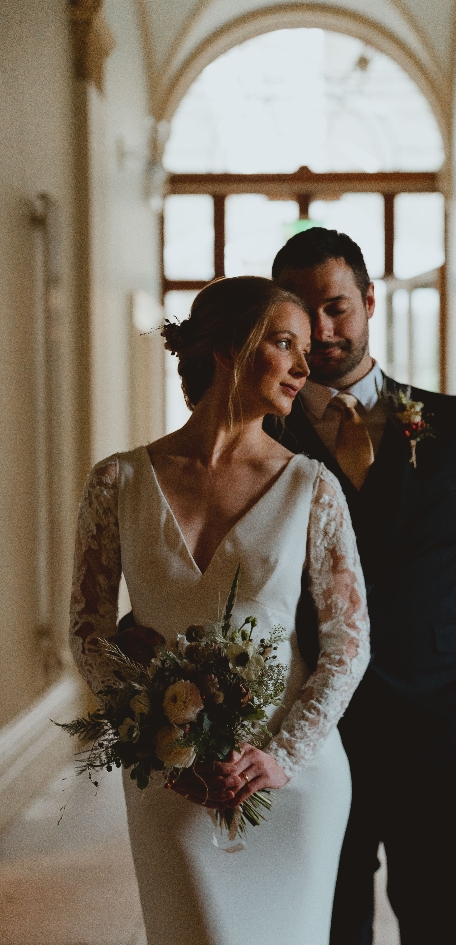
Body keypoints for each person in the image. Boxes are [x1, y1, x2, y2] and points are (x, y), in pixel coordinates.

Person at [68, 276, 370, 945]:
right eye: (284, 343)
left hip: (292, 782)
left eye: (305, 349)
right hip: (170, 779)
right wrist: (159, 736)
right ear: (231, 348)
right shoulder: (116, 482)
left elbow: (351, 642)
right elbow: (89, 631)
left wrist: (283, 756)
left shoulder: (312, 488)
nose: (302, 364)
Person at [269, 228, 456, 945]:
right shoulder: (259, 441)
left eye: (337, 308)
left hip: (445, 730)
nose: (323, 332)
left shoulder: (454, 425)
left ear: (367, 301)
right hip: (312, 740)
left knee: (450, 931)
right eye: (304, 317)